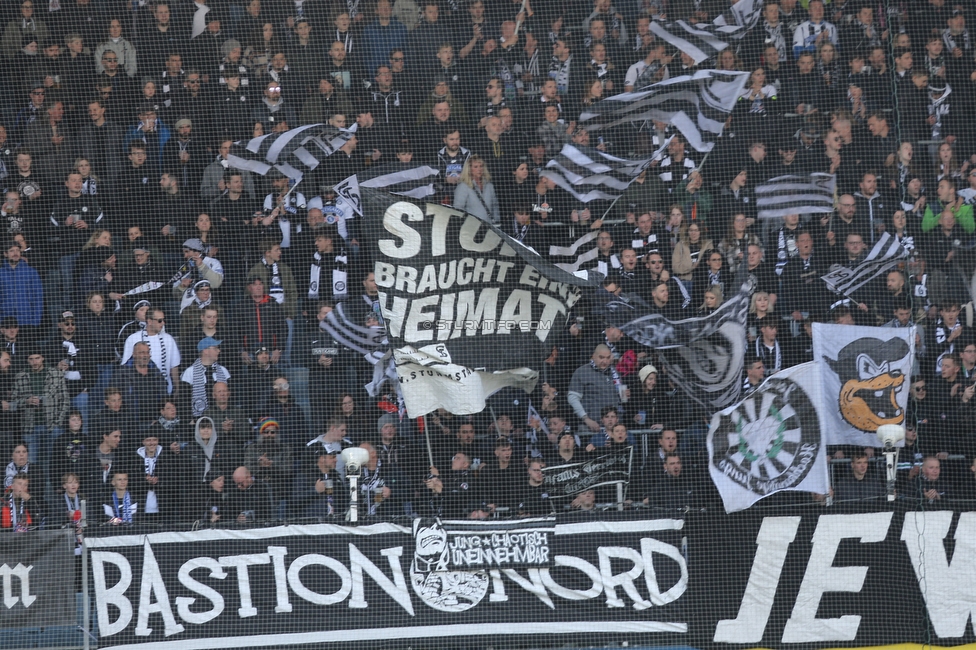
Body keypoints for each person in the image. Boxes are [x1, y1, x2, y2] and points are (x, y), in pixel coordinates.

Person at [120, 307, 181, 394]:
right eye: (159, 321)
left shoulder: (169, 339)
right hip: (138, 391)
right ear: (149, 321)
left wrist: (177, 389)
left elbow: (174, 366)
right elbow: (125, 367)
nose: (163, 323)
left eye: (163, 320)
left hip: (164, 391)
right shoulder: (133, 338)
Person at [179, 336, 230, 417]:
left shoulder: (223, 371)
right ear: (206, 351)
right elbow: (183, 400)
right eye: (215, 348)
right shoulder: (189, 373)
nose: (219, 351)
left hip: (221, 418)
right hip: (199, 420)